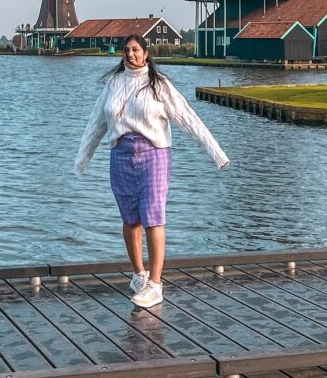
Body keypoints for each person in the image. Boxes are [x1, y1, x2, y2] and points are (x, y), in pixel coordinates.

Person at [73, 34, 229, 308]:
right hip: (120, 155)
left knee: (153, 216)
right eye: (126, 51)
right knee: (130, 218)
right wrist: (82, 161)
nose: (131, 55)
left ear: (146, 53)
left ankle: (155, 283)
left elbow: (188, 118)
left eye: (136, 50)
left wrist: (216, 153)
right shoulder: (113, 83)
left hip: (154, 154)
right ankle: (138, 274)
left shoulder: (159, 85)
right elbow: (96, 124)